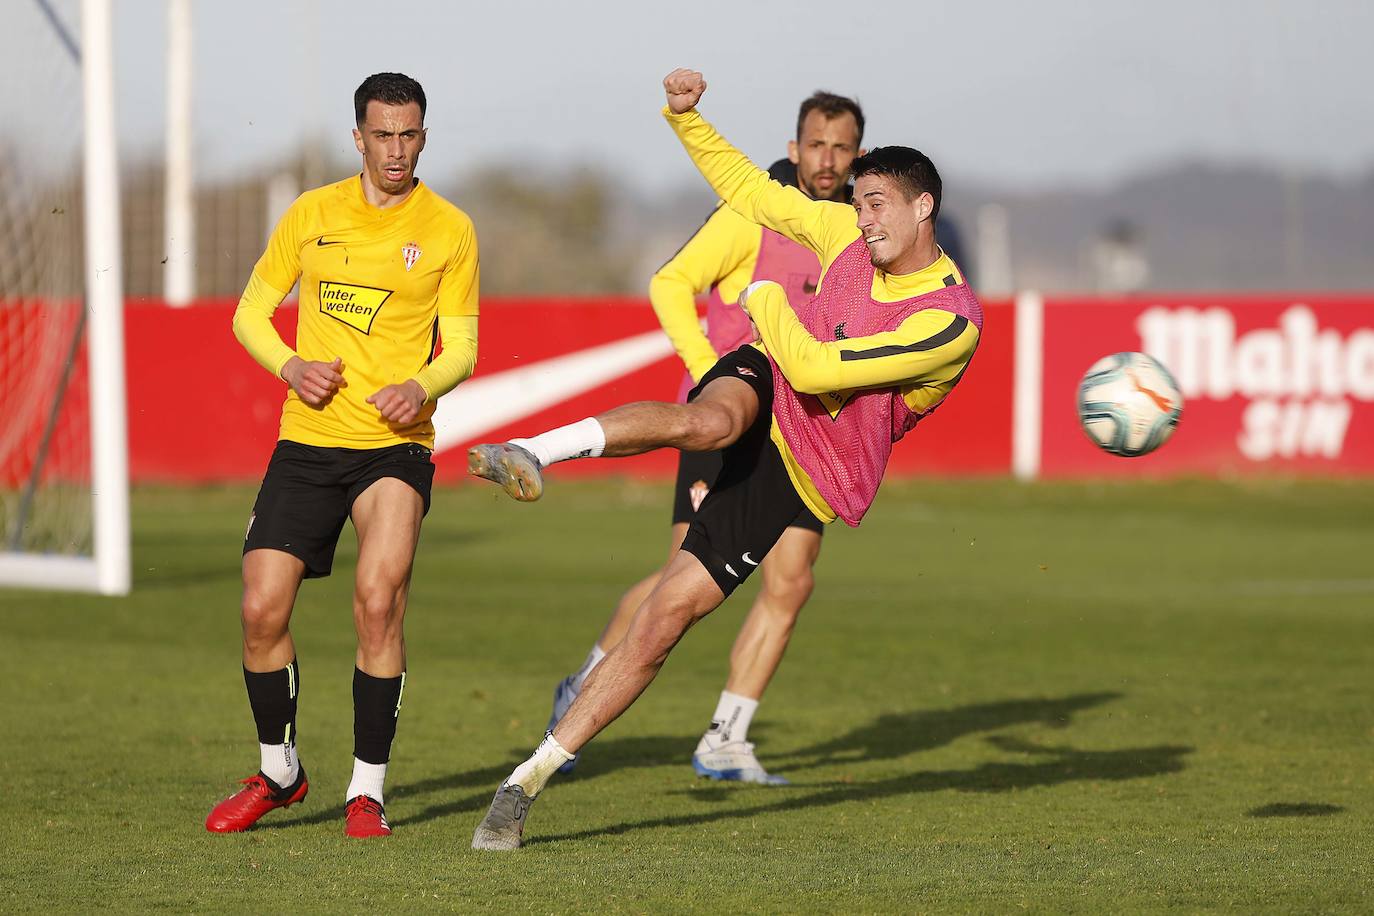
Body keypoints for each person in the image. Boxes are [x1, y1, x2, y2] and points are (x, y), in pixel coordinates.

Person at [467, 67, 982, 850]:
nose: (862, 218)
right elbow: (751, 191)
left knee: (667, 618)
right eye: (858, 201)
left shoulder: (950, 319)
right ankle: (529, 450)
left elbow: (822, 372)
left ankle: (525, 781)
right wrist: (686, 118)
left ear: (924, 208)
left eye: (876, 204)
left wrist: (764, 300)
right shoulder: (843, 230)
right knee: (706, 421)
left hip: (809, 469)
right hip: (766, 380)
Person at [545, 91, 866, 786]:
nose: (827, 159)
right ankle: (582, 689)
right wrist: (705, 370)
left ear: (859, 156)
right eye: (816, 144)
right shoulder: (757, 214)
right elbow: (671, 282)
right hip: (730, 420)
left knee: (792, 581)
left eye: (841, 148)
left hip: (807, 434)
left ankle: (727, 737)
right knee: (679, 582)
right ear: (794, 147)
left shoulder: (856, 239)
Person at [206, 72, 480, 839]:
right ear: (357, 137)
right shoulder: (312, 213)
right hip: (307, 440)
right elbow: (251, 314)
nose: (396, 149)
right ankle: (279, 771)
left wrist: (420, 386)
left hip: (394, 447)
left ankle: (368, 792)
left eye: (410, 134)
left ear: (425, 136)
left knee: (378, 598)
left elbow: (462, 346)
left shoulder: (451, 228)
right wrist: (292, 365)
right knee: (261, 608)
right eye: (382, 134)